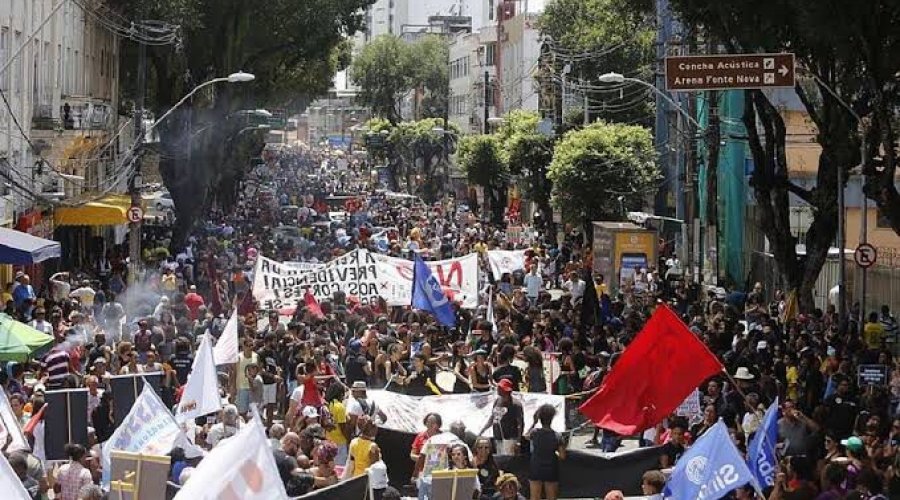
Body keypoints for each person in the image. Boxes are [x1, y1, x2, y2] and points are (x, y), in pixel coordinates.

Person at [524, 404, 566, 500]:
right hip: (551, 468)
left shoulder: (534, 432)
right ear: (552, 418)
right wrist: (555, 453)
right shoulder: (558, 436)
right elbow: (563, 456)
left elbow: (526, 436)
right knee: (551, 497)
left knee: (534, 497)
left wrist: (534, 422)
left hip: (536, 467)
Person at [480, 378, 524, 456]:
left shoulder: (516, 404)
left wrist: (518, 441)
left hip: (509, 439)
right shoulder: (497, 401)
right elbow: (493, 417)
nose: (498, 390)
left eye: (500, 388)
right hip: (498, 437)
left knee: (508, 460)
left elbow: (520, 423)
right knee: (500, 459)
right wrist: (483, 430)